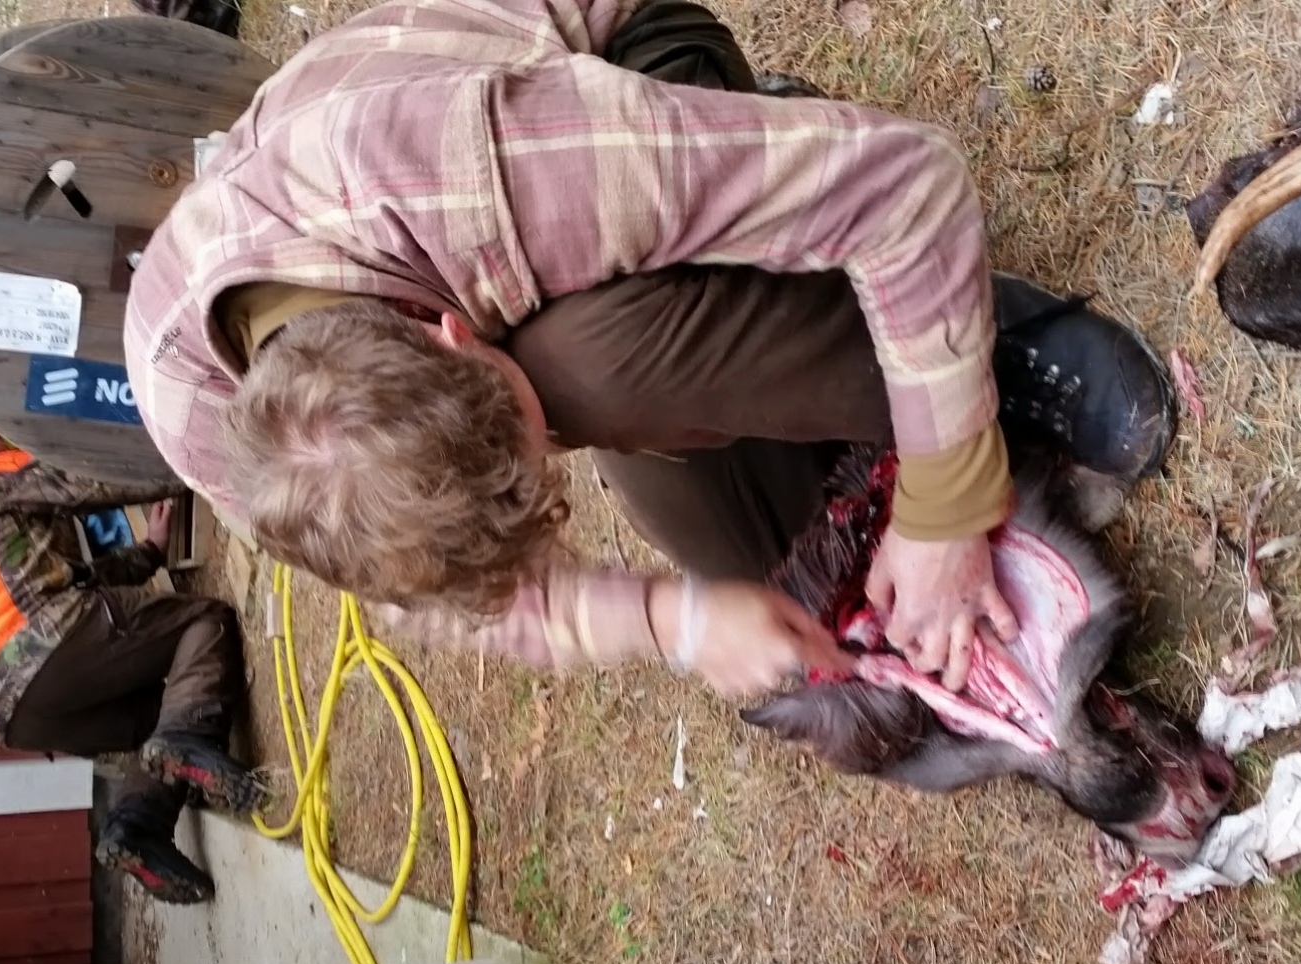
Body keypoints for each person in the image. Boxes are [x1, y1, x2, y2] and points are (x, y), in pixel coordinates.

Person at [124, 0, 1171, 697]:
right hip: (478, 242)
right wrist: (676, 620)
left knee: (585, 369)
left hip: (613, 70)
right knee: (779, 576)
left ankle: (985, 338)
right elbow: (441, 584)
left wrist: (945, 502)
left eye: (537, 450)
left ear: (455, 338)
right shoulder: (233, 443)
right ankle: (810, 305)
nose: (559, 470)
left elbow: (908, 185)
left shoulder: (502, 174)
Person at [0, 417, 264, 904]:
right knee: (204, 622)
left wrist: (147, 554)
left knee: (158, 720)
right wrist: (195, 459)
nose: (5, 447)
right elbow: (84, 478)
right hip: (43, 644)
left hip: (4, 718)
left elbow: (60, 576)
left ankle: (137, 830)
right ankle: (190, 738)